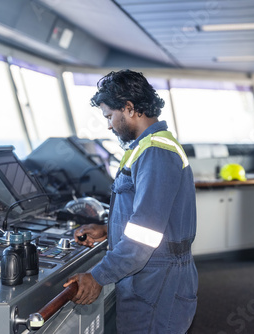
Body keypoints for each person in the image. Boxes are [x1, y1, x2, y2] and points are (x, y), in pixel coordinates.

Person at [63, 69, 198, 333]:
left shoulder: (155, 152)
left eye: (110, 116)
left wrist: (98, 276)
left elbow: (145, 234)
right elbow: (146, 214)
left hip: (158, 283)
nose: (109, 125)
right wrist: (107, 230)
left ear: (129, 108)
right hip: (150, 276)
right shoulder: (144, 147)